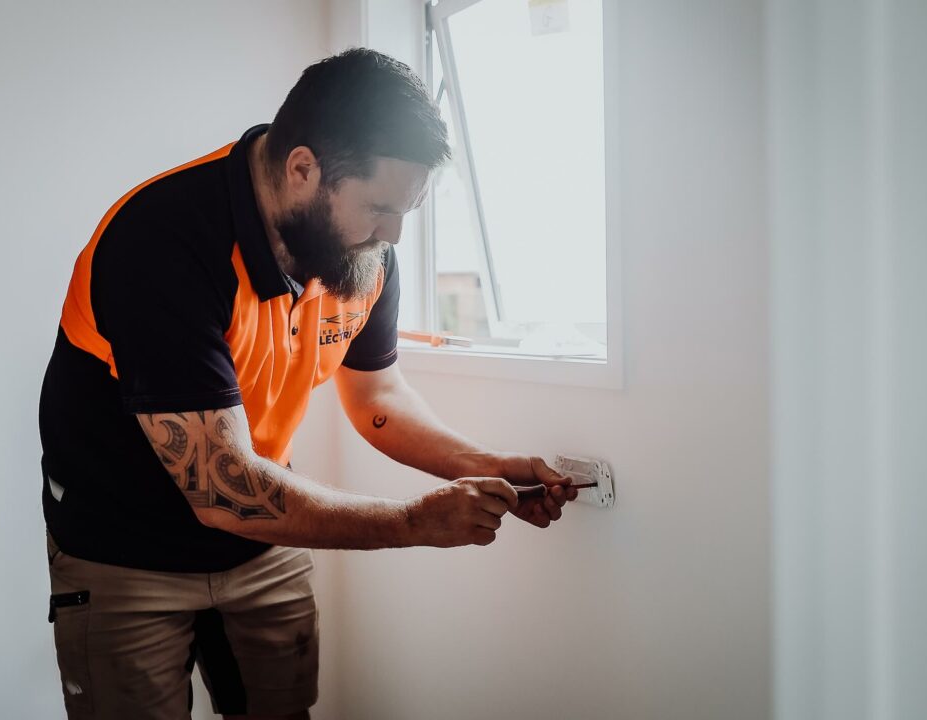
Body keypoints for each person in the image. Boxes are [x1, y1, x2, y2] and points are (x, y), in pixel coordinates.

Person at [38, 47, 579, 720]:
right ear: (303, 169)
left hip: (263, 535)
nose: (393, 234)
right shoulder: (162, 240)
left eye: (407, 209)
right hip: (124, 553)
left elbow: (378, 397)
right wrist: (414, 521)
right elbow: (220, 490)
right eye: (379, 207)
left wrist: (484, 465)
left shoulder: (363, 251)